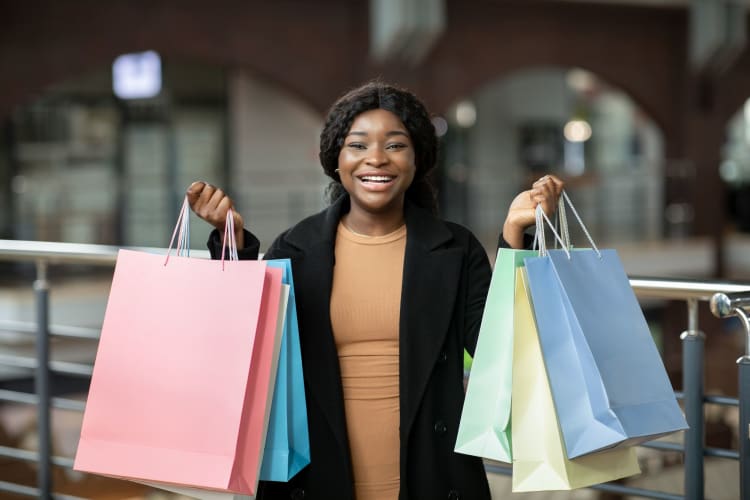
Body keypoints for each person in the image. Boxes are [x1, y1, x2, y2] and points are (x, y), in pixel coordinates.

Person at [187, 81, 563, 500]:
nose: (377, 159)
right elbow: (249, 354)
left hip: (433, 480)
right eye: (359, 145)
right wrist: (232, 243)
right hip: (317, 482)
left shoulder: (455, 249)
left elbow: (500, 351)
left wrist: (516, 234)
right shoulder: (295, 248)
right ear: (337, 159)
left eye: (396, 145)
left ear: (417, 158)